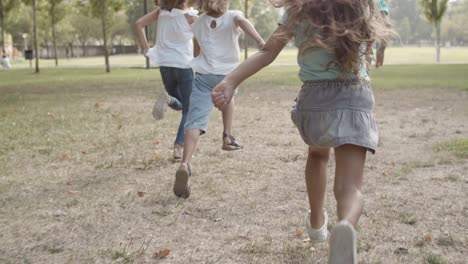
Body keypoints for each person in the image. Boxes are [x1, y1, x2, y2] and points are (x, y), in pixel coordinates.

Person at [211, 0, 392, 263]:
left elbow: (267, 52)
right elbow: (379, 30)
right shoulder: (365, 5)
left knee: (318, 156)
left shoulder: (300, 10)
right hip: (355, 94)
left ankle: (317, 221)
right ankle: (346, 227)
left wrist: (230, 81)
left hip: (315, 102)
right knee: (350, 187)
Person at [173, 0, 265, 198]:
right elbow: (243, 22)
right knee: (229, 95)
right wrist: (259, 41)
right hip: (227, 75)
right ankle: (227, 135)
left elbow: (197, 52)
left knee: (194, 122)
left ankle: (185, 162)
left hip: (204, 76)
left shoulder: (197, 23)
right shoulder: (233, 15)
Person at [135, 0, 197, 160]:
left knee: (180, 103)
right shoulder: (189, 17)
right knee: (188, 110)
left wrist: (146, 49)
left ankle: (168, 99)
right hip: (184, 65)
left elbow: (139, 24)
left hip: (164, 65)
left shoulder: (160, 13)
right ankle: (179, 146)